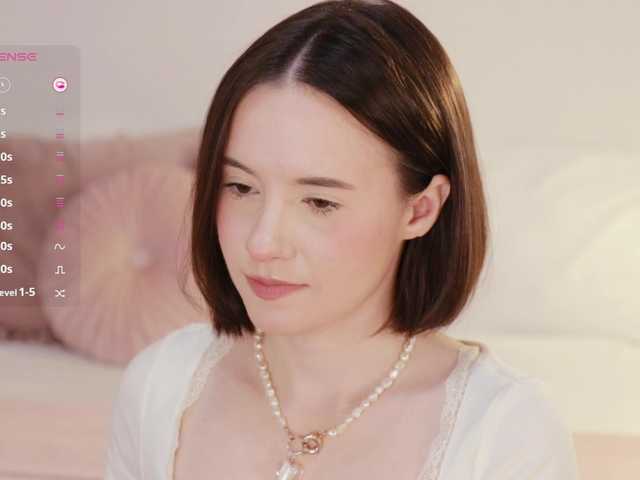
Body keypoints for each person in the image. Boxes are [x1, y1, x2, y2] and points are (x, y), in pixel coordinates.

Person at [105, 1, 580, 479]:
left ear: (421, 209)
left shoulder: (504, 437)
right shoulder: (161, 388)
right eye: (242, 187)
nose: (262, 243)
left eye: (319, 202)